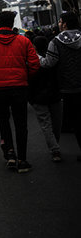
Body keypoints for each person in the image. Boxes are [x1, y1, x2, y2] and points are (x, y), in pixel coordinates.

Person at [0, 11, 40, 173]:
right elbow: (35, 64)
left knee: (4, 121)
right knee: (21, 123)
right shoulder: (23, 41)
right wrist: (25, 75)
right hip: (20, 86)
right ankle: (22, 159)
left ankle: (10, 154)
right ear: (12, 24)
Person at [40, 11, 81, 162]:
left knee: (76, 120)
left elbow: (48, 63)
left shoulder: (55, 42)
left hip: (67, 87)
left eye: (60, 21)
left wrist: (37, 57)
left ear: (64, 24)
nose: (58, 24)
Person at [29, 36, 62, 162]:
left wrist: (30, 98)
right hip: (55, 95)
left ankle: (55, 149)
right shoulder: (54, 59)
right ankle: (55, 144)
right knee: (57, 123)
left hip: (38, 97)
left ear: (35, 47)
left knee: (46, 124)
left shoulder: (32, 61)